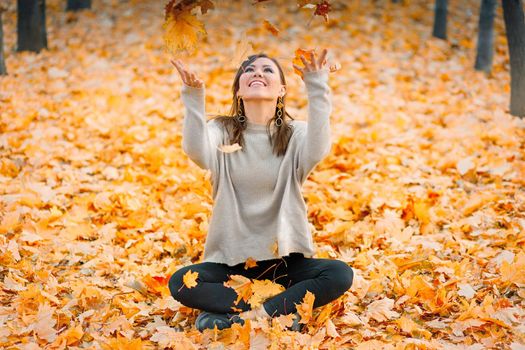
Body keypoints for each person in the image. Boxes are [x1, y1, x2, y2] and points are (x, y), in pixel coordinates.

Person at [168, 49, 353, 332]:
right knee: (181, 281)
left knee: (339, 274)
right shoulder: (221, 130)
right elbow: (198, 153)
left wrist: (317, 84)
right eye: (249, 70)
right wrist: (193, 98)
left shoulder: (296, 135)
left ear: (281, 90)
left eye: (267, 70)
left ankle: (239, 319)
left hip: (284, 265)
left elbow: (319, 147)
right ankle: (278, 313)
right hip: (231, 264)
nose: (257, 73)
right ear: (239, 91)